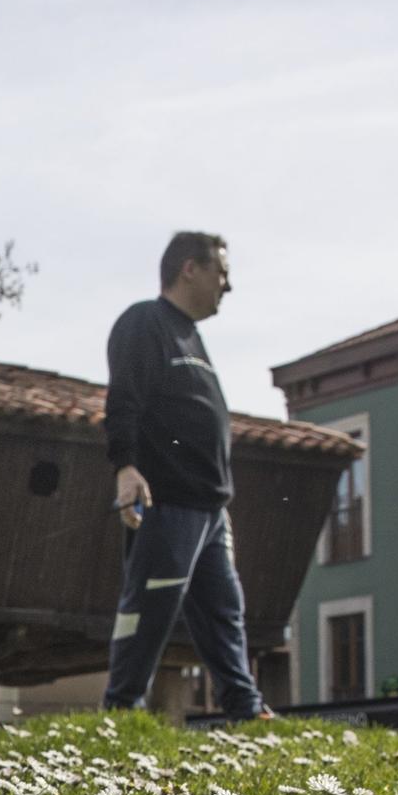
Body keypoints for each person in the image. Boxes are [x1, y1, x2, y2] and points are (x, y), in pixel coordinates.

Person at [102, 230, 273, 722]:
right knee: (151, 608)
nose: (228, 285)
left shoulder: (192, 337)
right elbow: (124, 401)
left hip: (211, 508)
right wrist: (126, 466)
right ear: (189, 269)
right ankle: (122, 709)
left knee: (224, 612)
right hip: (166, 501)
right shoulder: (145, 322)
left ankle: (246, 708)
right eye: (222, 272)